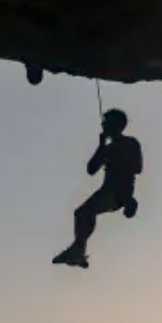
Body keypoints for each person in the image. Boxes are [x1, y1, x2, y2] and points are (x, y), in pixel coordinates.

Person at [53, 108, 142, 268]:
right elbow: (91, 169)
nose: (102, 125)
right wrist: (101, 147)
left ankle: (78, 251)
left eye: (106, 122)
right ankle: (78, 250)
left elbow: (138, 167)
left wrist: (114, 153)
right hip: (108, 191)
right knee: (82, 213)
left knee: (85, 212)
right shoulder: (108, 148)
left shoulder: (130, 143)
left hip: (119, 193)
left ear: (116, 125)